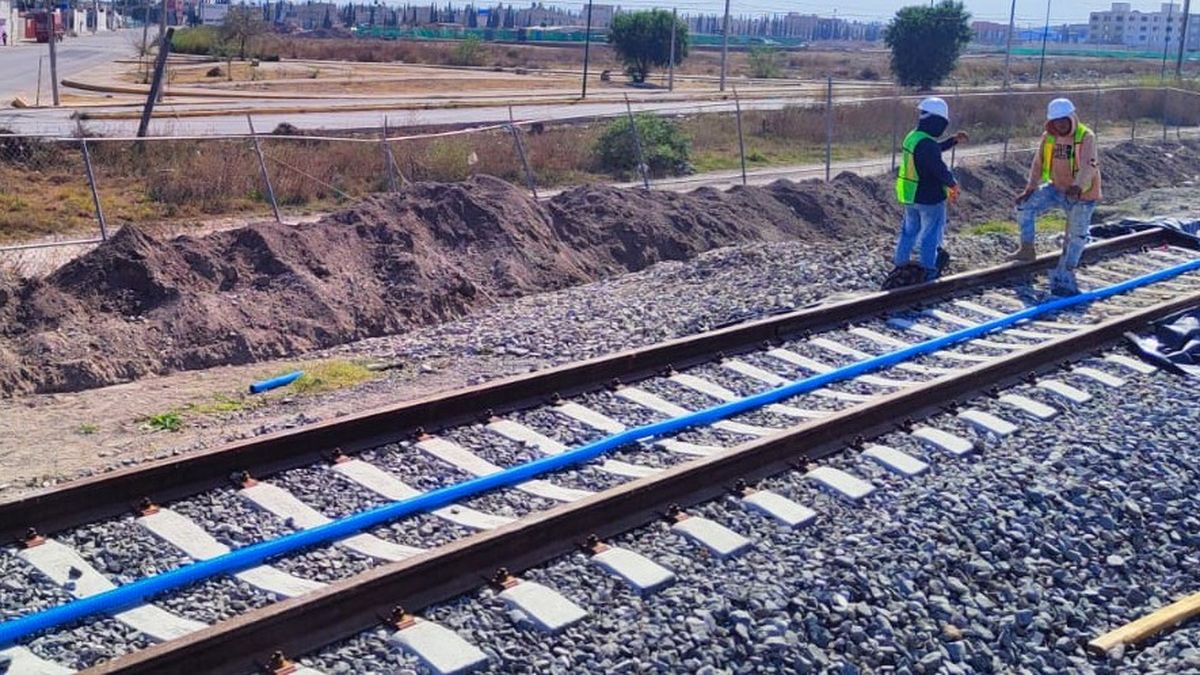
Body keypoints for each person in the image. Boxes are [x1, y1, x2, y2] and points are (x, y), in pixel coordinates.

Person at [1013, 97, 1102, 296]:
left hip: (1082, 194)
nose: (1060, 124)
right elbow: (1038, 163)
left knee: (1077, 234)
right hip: (1056, 188)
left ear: (1072, 118)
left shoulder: (1086, 136)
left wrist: (1078, 186)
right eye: (1056, 121)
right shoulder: (1049, 137)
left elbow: (1089, 164)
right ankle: (1027, 249)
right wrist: (1030, 188)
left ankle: (1067, 269)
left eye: (1064, 120)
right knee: (1025, 206)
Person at [889, 97, 968, 287]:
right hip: (929, 198)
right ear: (937, 121)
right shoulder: (927, 144)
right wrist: (952, 184)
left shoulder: (913, 137)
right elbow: (938, 167)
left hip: (910, 196)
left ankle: (900, 264)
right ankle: (929, 271)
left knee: (909, 232)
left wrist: (952, 141)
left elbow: (933, 149)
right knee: (930, 235)